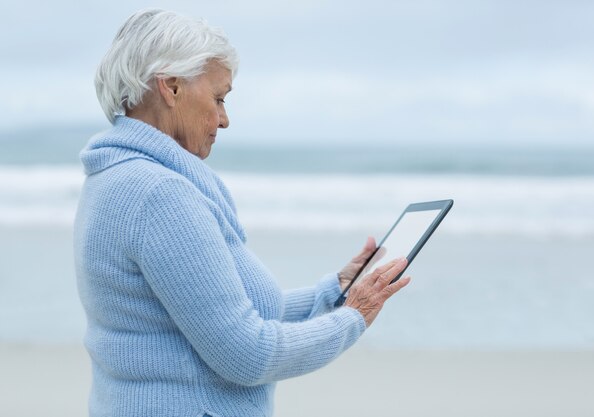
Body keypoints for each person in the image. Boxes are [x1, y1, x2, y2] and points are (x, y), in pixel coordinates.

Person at [74, 8, 410, 417]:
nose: (225, 118)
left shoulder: (117, 176)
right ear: (172, 87)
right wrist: (354, 317)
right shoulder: (159, 195)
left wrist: (333, 291)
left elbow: (224, 312)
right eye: (218, 98)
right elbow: (248, 355)